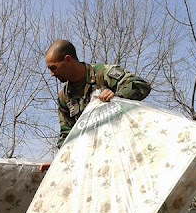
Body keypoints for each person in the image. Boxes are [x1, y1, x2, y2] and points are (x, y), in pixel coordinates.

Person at [40, 39, 151, 172]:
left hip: (124, 152)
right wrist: (61, 161)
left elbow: (140, 85)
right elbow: (67, 135)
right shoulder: (64, 97)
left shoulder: (103, 74)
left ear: (68, 60)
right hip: (93, 164)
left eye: (53, 67)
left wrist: (117, 98)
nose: (51, 74)